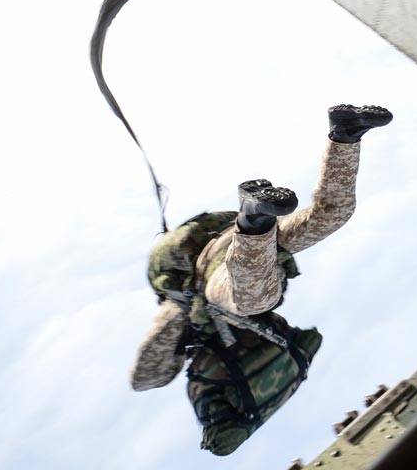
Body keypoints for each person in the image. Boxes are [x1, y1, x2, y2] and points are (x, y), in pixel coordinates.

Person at [130, 104, 393, 450]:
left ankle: (253, 216)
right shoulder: (211, 328)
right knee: (328, 216)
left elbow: (143, 378)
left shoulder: (188, 310)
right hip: (246, 247)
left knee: (250, 297)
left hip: (218, 272)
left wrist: (185, 317)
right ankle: (345, 133)